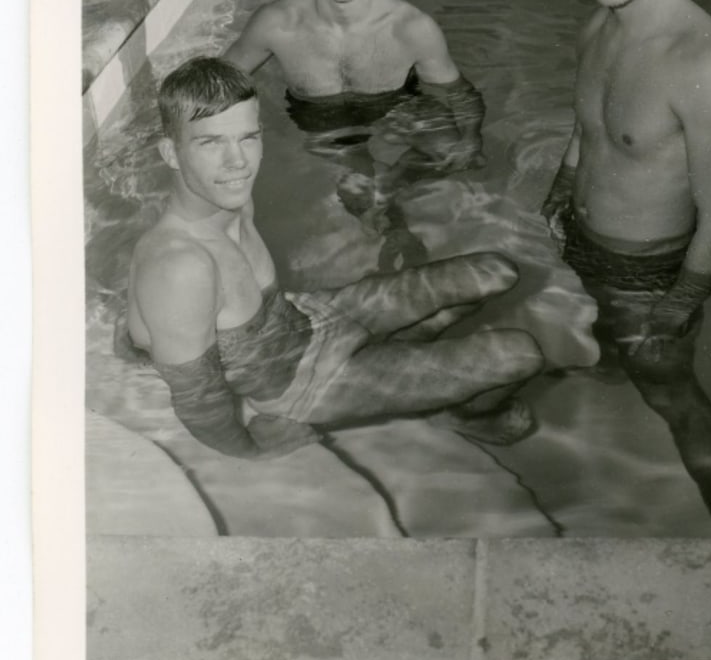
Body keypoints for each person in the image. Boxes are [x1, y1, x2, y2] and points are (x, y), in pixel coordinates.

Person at [117, 57, 543, 460]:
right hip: (299, 385)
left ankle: (405, 372)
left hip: (309, 319)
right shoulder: (181, 267)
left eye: (248, 137)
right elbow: (196, 399)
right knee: (521, 354)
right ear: (170, 153)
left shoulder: (229, 200)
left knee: (495, 271)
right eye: (211, 143)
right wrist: (251, 448)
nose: (238, 162)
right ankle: (455, 413)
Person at [542, 0, 711, 537]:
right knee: (612, 353)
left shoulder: (707, 66)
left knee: (675, 400)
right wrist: (559, 192)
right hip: (587, 246)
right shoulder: (595, 26)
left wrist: (674, 311)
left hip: (652, 274)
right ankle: (610, 363)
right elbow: (585, 129)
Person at [224, 0, 485, 264]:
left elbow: (460, 92)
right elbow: (214, 85)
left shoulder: (412, 28)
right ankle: (395, 233)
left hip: (396, 103)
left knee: (454, 152)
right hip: (321, 117)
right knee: (357, 185)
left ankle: (394, 180)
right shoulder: (276, 24)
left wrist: (473, 137)